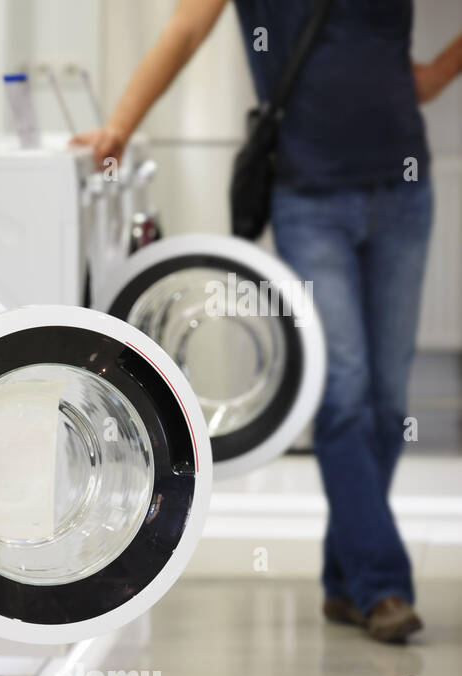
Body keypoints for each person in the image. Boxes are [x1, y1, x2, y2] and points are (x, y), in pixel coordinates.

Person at [74, 0, 462, 643]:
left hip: (404, 193)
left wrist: (439, 73)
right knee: (344, 392)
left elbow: (403, 69)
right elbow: (185, 29)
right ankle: (382, 583)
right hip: (309, 199)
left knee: (390, 401)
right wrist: (119, 126)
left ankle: (346, 579)